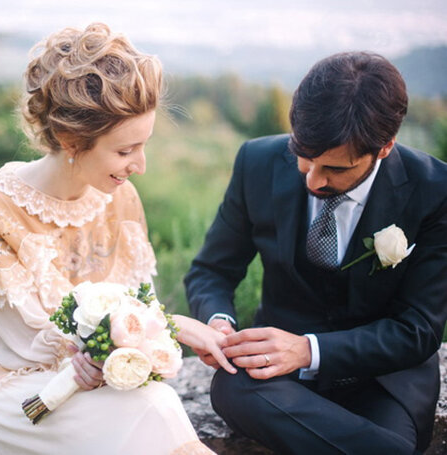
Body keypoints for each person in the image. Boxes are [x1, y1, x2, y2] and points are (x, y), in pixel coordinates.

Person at [0, 23, 221, 455]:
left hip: (95, 385)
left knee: (153, 407)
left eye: (143, 146)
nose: (139, 165)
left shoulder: (121, 198)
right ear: (70, 140)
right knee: (154, 407)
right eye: (125, 151)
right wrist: (173, 327)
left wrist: (147, 340)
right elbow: (26, 342)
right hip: (12, 393)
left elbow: (133, 307)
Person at [185, 51, 447, 454]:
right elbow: (211, 271)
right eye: (303, 156)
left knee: (392, 442)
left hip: (383, 379)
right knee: (232, 388)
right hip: (273, 381)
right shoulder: (255, 162)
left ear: (385, 147)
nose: (311, 178)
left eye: (335, 170)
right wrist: (218, 324)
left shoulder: (435, 191)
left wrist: (307, 350)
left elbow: (418, 329)